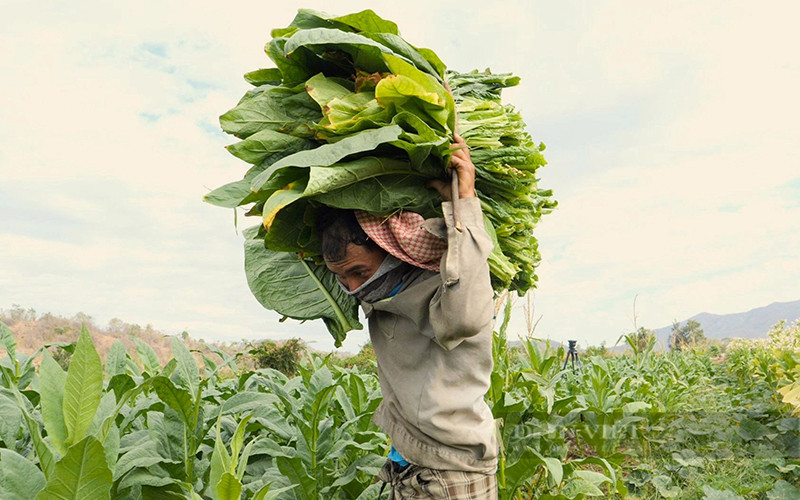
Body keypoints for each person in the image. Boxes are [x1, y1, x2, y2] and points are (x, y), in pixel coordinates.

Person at [318, 134, 498, 499]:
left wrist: (463, 203)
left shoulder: (446, 289)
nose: (353, 287)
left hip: (454, 471)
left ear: (389, 249)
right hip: (409, 465)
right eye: (341, 278)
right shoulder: (381, 300)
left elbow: (464, 318)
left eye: (359, 271)